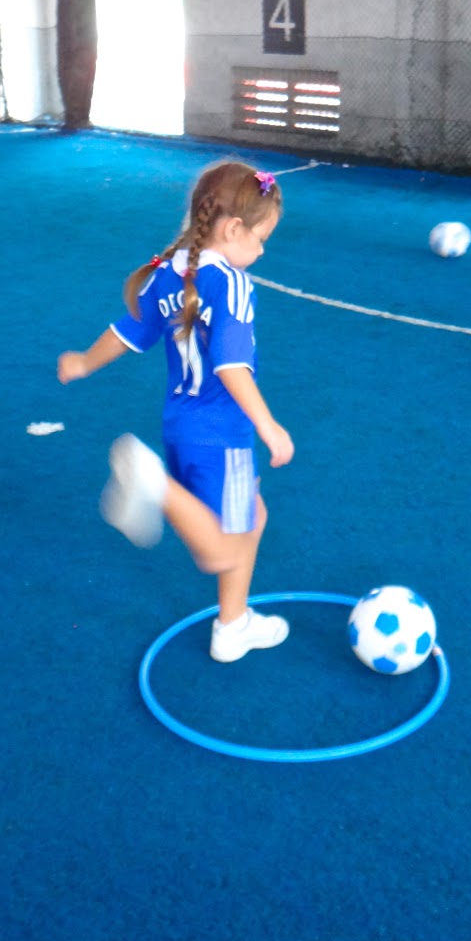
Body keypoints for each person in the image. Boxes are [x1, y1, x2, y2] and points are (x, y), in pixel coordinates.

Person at [57, 161, 294, 663]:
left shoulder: (172, 271)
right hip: (223, 435)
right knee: (222, 551)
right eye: (260, 239)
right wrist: (267, 424)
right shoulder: (231, 283)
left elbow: (129, 332)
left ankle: (232, 627)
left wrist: (82, 362)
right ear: (233, 229)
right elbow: (231, 364)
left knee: (253, 514)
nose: (262, 251)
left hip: (181, 427)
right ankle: (153, 483)